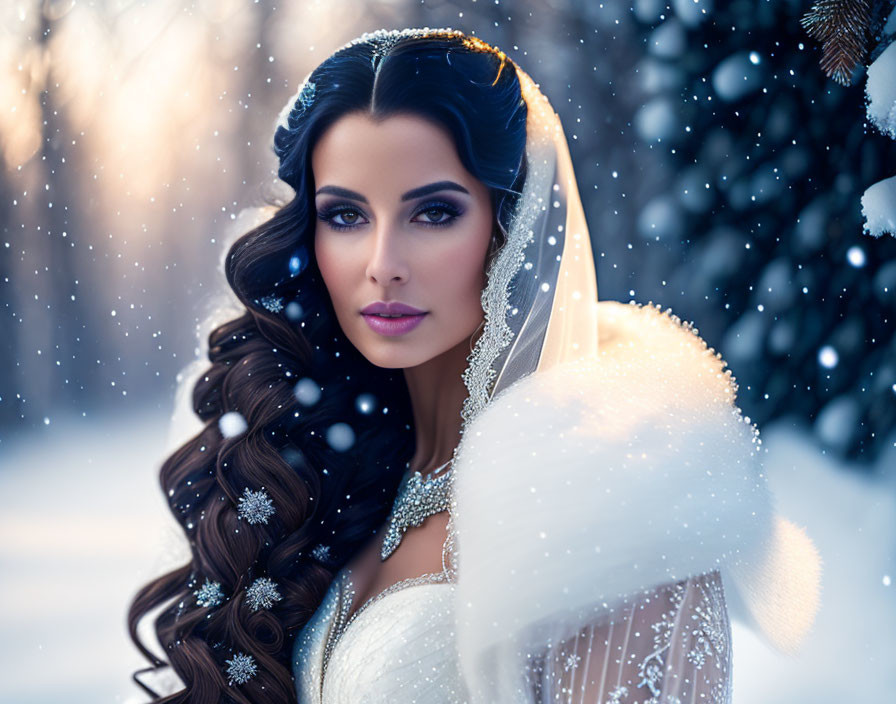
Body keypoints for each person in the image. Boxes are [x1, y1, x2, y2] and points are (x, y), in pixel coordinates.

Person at [127, 28, 822, 704]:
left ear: (510, 225)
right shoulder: (334, 474)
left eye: (432, 213)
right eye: (345, 216)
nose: (383, 266)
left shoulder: (615, 509)